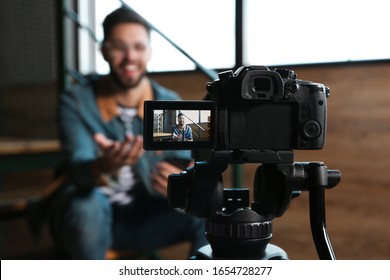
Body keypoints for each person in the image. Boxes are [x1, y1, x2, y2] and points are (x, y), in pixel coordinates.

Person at [48, 6, 208, 259]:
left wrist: (183, 183)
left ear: (150, 52)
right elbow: (77, 167)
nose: (130, 57)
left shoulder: (168, 101)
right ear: (103, 51)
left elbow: (185, 160)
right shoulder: (76, 102)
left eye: (139, 47)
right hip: (91, 216)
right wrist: (103, 165)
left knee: (208, 209)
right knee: (84, 206)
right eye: (119, 47)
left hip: (146, 215)